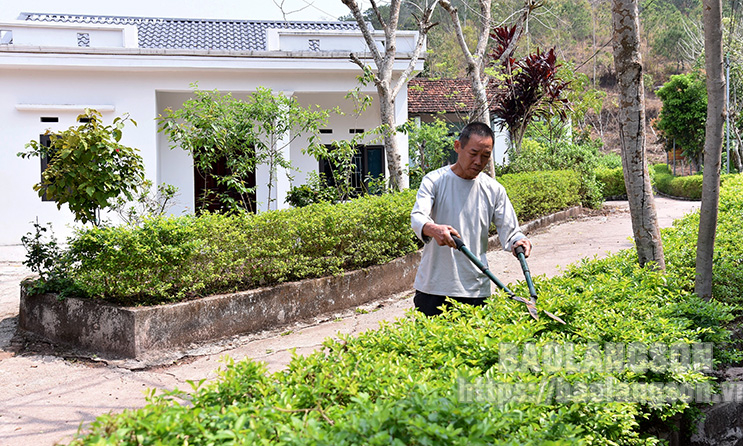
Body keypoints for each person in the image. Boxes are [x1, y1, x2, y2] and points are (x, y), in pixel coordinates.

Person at [410, 121, 532, 316]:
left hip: (475, 289)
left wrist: (520, 241)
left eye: (485, 156)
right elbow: (418, 216)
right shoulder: (434, 180)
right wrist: (432, 228)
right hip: (433, 288)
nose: (478, 161)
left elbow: (511, 232)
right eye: (473, 153)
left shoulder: (494, 189)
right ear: (458, 146)